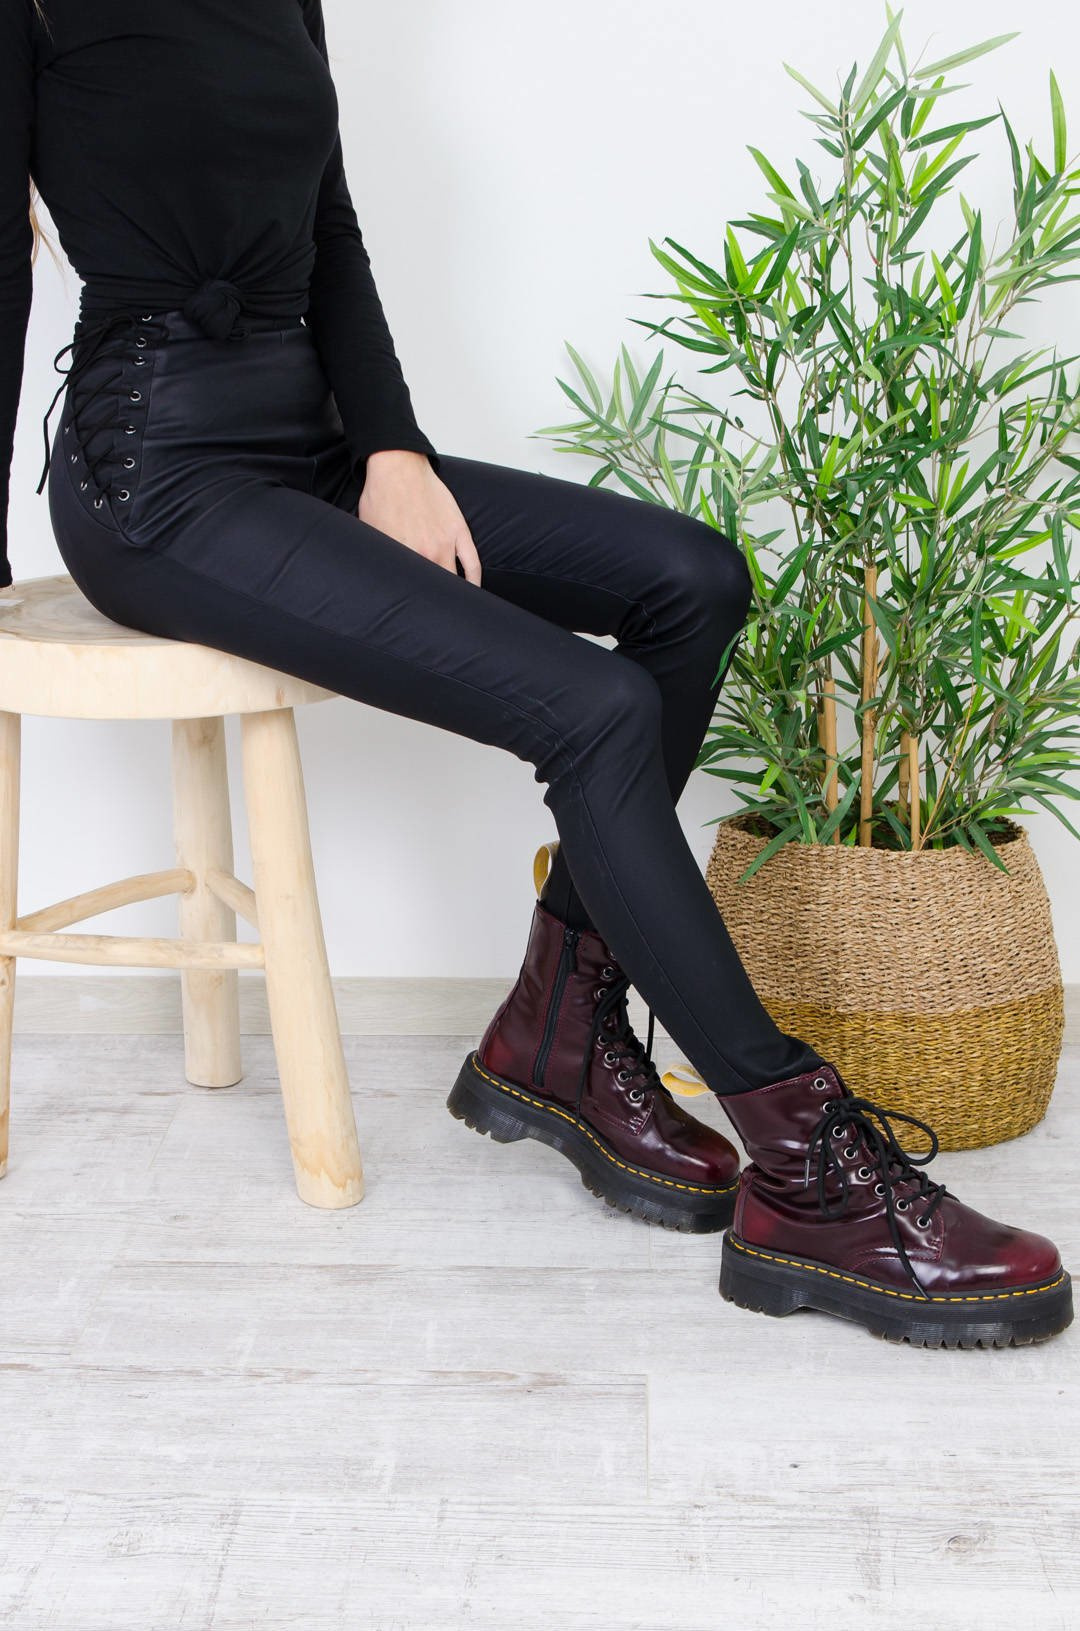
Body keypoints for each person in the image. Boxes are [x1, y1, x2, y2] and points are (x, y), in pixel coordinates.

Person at [1, 0, 1070, 1350]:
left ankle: (559, 1029)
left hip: (312, 446)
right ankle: (806, 1169)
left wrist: (392, 451)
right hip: (156, 478)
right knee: (595, 708)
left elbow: (331, 229)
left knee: (692, 579)